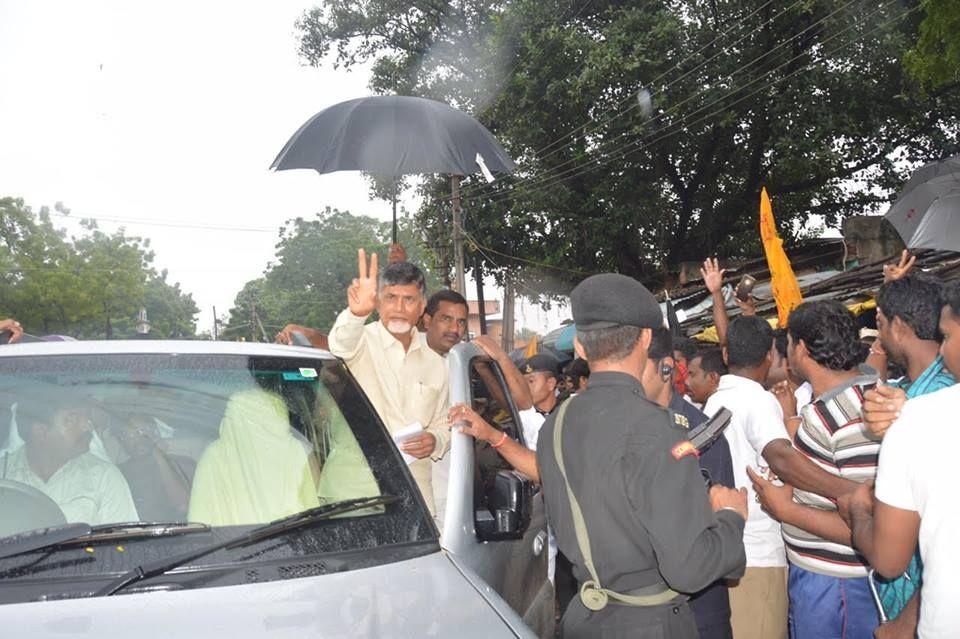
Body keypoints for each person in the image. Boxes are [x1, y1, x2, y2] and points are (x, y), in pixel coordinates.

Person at [536, 273, 748, 638]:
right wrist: (731, 517)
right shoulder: (658, 430)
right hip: (649, 626)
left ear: (582, 349)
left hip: (584, 619)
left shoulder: (555, 424)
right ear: (647, 338)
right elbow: (691, 568)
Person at [749, 301, 880, 639]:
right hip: (825, 579)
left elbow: (873, 523)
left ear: (802, 348)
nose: (786, 352)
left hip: (839, 584)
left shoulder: (851, 415)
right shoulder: (853, 397)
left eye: (789, 343)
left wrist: (786, 510)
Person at [838, 279, 960, 639]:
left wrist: (859, 508)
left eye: (948, 337)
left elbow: (889, 560)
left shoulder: (918, 418)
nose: (942, 349)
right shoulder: (904, 402)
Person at [326, 250, 449, 515]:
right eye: (391, 298)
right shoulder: (361, 341)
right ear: (378, 301)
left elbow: (444, 423)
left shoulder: (436, 364)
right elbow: (339, 345)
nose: (399, 308)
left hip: (413, 494)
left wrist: (435, 440)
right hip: (354, 493)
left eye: (408, 300)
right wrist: (356, 314)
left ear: (422, 306)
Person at [640, 328, 737, 639]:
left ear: (666, 368)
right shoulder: (629, 429)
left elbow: (713, 528)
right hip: (646, 609)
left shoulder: (701, 435)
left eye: (635, 370)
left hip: (698, 610)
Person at [188, 387, 319, 526]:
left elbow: (198, 522)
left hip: (230, 546)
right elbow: (315, 513)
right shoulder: (299, 451)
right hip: (294, 542)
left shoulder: (213, 455)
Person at [1, 394, 138, 525]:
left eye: (86, 419)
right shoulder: (4, 475)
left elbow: (126, 544)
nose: (86, 426)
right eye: (72, 420)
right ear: (40, 430)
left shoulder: (104, 477)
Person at [114, 413, 196, 522]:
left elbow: (183, 506)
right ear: (122, 441)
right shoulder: (117, 473)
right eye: (130, 435)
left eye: (142, 432)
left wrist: (161, 458)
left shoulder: (183, 464)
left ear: (156, 434)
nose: (138, 440)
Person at [421, 289, 469, 356]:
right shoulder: (405, 352)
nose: (454, 329)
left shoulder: (468, 357)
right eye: (446, 319)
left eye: (461, 322)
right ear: (427, 321)